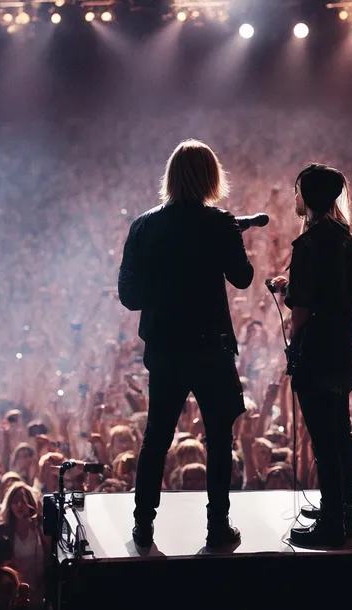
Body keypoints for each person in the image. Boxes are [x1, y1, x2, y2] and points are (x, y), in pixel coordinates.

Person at [117, 139, 253, 549]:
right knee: (218, 439)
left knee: (156, 439)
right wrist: (231, 236)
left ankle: (143, 526)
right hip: (211, 348)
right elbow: (243, 278)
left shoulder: (144, 225)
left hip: (166, 349)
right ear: (212, 177)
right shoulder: (220, 222)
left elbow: (129, 297)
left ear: (171, 177)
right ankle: (217, 526)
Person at [270, 163, 352, 548]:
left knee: (323, 440)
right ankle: (344, 511)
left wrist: (294, 348)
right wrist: (289, 284)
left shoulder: (307, 245)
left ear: (306, 196)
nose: (294, 198)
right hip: (343, 347)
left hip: (317, 349)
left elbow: (303, 310)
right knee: (339, 432)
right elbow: (333, 291)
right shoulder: (346, 239)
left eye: (296, 191)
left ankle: (330, 526)